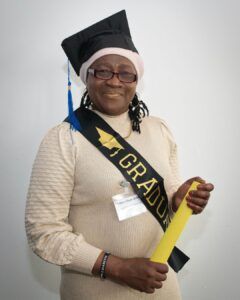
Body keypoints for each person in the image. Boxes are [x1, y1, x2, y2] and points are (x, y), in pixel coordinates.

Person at [25, 10, 214, 300]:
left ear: (136, 79)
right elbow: (44, 233)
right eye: (102, 71)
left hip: (161, 287)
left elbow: (169, 197)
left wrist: (180, 199)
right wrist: (115, 267)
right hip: (94, 291)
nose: (115, 81)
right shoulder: (64, 139)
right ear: (86, 77)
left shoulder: (158, 129)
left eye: (126, 72)